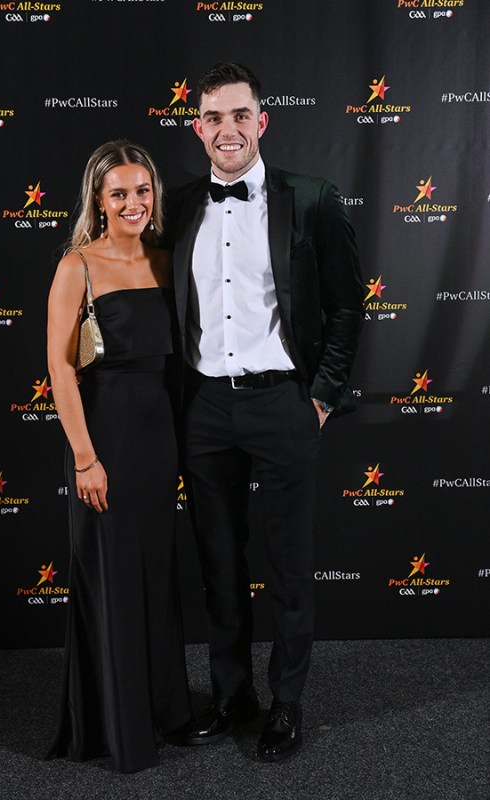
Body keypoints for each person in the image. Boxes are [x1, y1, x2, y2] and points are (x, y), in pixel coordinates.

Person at [164, 63, 364, 762]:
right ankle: (231, 695)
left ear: (262, 121)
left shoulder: (311, 199)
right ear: (198, 127)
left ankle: (286, 703)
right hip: (205, 411)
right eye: (214, 117)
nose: (228, 130)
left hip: (283, 402)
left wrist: (320, 398)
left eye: (240, 115)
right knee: (219, 562)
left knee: (288, 566)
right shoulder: (179, 206)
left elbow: (347, 307)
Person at [46, 140, 191, 773]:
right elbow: (59, 364)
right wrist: (84, 457)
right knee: (111, 582)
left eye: (142, 190)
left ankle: (164, 714)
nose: (132, 203)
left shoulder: (167, 259)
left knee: (155, 579)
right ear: (98, 201)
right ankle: (119, 727)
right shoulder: (78, 265)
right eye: (118, 193)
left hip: (160, 442)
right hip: (104, 440)